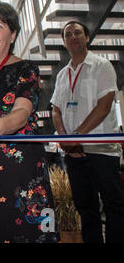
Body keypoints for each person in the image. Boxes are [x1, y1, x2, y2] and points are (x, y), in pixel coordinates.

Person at [0, 0, 58, 243]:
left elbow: (22, 112)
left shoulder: (26, 69)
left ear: (13, 34)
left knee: (30, 234)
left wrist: (0, 125)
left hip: (21, 174)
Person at [51, 20, 124, 243]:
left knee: (114, 205)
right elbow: (55, 110)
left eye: (77, 32)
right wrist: (65, 140)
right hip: (73, 154)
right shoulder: (62, 75)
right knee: (85, 207)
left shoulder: (102, 66)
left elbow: (104, 106)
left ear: (87, 38)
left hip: (101, 151)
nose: (73, 36)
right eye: (68, 34)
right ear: (64, 42)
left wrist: (76, 138)